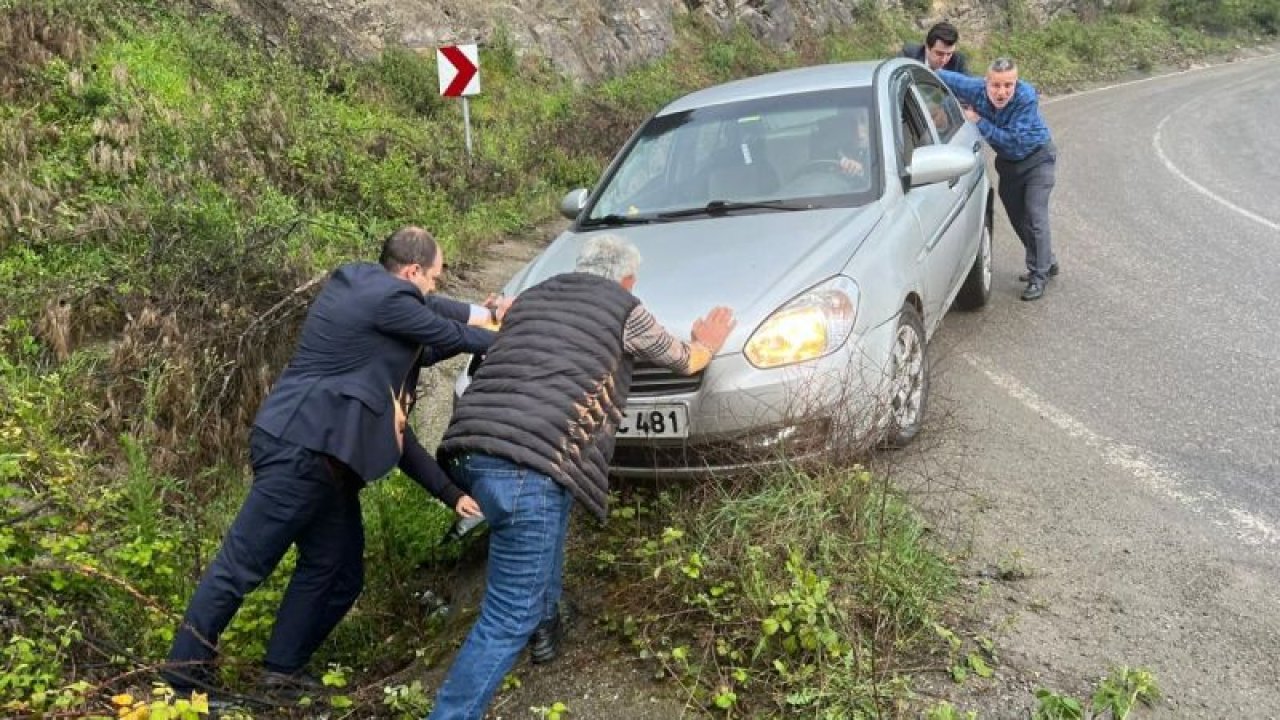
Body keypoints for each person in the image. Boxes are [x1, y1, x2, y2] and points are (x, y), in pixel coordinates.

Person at [162, 226, 507, 701]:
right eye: (433, 278)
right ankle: (182, 680)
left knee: (338, 569)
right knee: (241, 566)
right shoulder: (384, 299)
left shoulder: (373, 320)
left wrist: (489, 316)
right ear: (411, 272)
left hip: (327, 463)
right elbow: (445, 330)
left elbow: (433, 333)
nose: (434, 288)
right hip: (301, 448)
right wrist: (503, 335)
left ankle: (281, 673)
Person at [426, 235, 736, 720]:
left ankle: (547, 623)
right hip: (526, 465)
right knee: (507, 617)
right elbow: (683, 360)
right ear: (628, 279)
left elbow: (500, 320)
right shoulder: (625, 307)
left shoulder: (532, 297)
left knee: (552, 504)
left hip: (469, 451)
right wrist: (706, 343)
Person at [937, 58, 1058, 301]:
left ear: (1016, 83)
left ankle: (1038, 275)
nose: (1002, 92)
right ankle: (1047, 261)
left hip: (1037, 159)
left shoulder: (1026, 99)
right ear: (986, 82)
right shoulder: (975, 89)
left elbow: (1013, 140)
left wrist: (979, 121)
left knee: (1035, 215)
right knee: (1018, 219)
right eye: (996, 85)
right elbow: (939, 74)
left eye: (1008, 85)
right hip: (1009, 166)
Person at [901, 21, 968, 74]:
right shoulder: (909, 55)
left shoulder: (958, 61)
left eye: (949, 54)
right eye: (939, 53)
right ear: (927, 47)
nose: (943, 60)